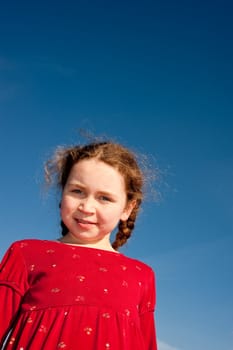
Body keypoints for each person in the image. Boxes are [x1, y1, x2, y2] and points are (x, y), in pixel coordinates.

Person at [0, 140, 158, 349]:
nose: (87, 207)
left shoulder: (141, 275)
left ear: (127, 208)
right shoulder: (25, 254)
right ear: (62, 192)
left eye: (104, 198)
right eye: (77, 191)